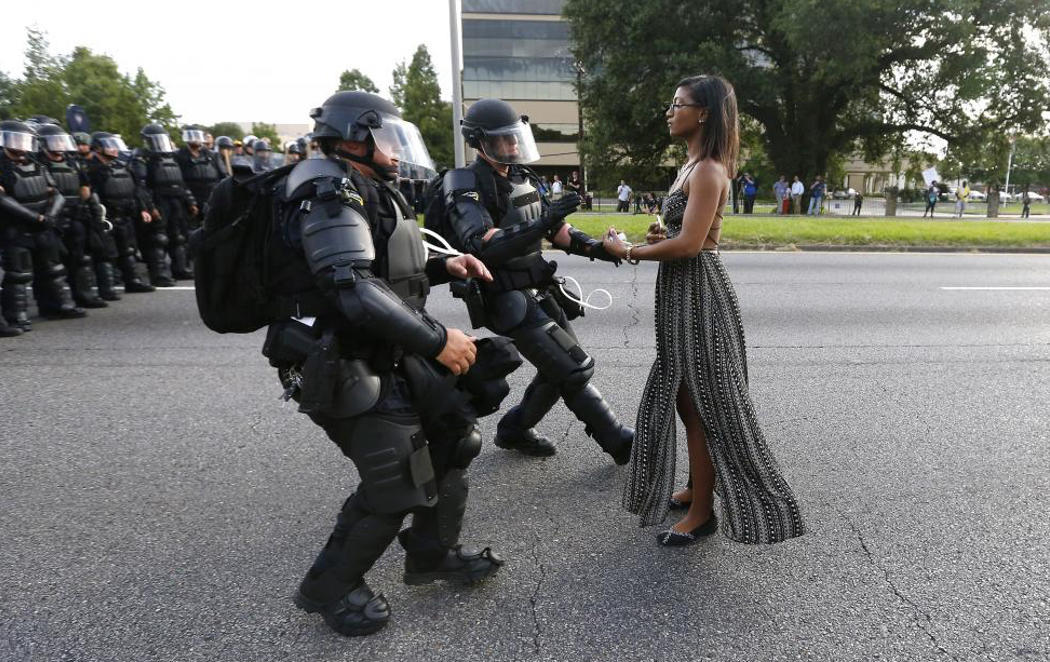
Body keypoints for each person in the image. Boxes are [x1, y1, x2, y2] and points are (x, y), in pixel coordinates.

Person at [240, 91, 509, 637]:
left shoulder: (365, 185)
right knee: (397, 480)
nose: (396, 148)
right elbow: (353, 287)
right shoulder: (326, 189)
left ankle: (433, 552)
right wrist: (438, 342)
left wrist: (443, 265)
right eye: (386, 135)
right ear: (354, 135)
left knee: (455, 437)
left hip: (385, 347)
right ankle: (328, 588)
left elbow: (383, 268)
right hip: (338, 358)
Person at [602, 75, 805, 546]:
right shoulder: (690, 165)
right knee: (684, 397)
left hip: (700, 295)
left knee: (704, 404)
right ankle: (697, 487)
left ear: (704, 113)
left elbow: (693, 245)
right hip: (681, 292)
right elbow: (682, 235)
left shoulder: (710, 169)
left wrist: (629, 250)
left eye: (678, 104)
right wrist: (659, 238)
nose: (670, 112)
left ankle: (702, 512)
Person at [438, 97, 634, 463]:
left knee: (558, 368)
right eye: (504, 140)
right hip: (504, 295)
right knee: (573, 368)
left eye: (515, 138)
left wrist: (600, 249)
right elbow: (480, 243)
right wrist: (543, 224)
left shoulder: (522, 177)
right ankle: (619, 441)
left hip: (539, 288)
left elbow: (558, 230)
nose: (513, 146)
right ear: (480, 141)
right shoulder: (465, 182)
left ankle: (514, 429)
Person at [0, 120, 87, 330]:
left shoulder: (37, 164)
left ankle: (59, 306)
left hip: (43, 224)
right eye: (15, 139)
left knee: (53, 267)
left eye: (23, 139)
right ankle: (17, 315)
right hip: (15, 227)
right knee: (18, 274)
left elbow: (56, 193)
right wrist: (34, 218)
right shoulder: (2, 166)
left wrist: (50, 215)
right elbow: (2, 199)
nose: (20, 144)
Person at [36, 122, 108, 309]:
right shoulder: (38, 163)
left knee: (79, 259)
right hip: (50, 218)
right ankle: (52, 304)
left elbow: (85, 188)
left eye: (61, 141)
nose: (59, 145)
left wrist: (87, 209)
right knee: (52, 264)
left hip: (75, 215)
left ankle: (82, 295)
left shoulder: (72, 161)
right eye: (55, 141)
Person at [85, 132, 156, 296]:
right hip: (105, 217)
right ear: (98, 147)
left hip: (125, 215)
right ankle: (107, 289)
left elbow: (137, 189)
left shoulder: (122, 166)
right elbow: (89, 194)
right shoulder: (91, 169)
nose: (115, 149)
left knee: (128, 250)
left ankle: (133, 281)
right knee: (106, 254)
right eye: (109, 145)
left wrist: (143, 209)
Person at [131, 124, 196, 283]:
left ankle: (180, 268)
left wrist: (190, 201)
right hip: (158, 200)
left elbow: (181, 182)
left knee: (179, 236)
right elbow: (141, 186)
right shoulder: (142, 158)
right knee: (158, 238)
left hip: (176, 200)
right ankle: (159, 274)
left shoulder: (171, 157)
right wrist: (150, 207)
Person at [175, 125, 223, 220]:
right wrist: (190, 201)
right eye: (192, 136)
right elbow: (179, 180)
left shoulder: (212, 155)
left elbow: (223, 177)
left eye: (197, 136)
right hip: (190, 200)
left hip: (211, 199)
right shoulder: (179, 156)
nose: (195, 139)